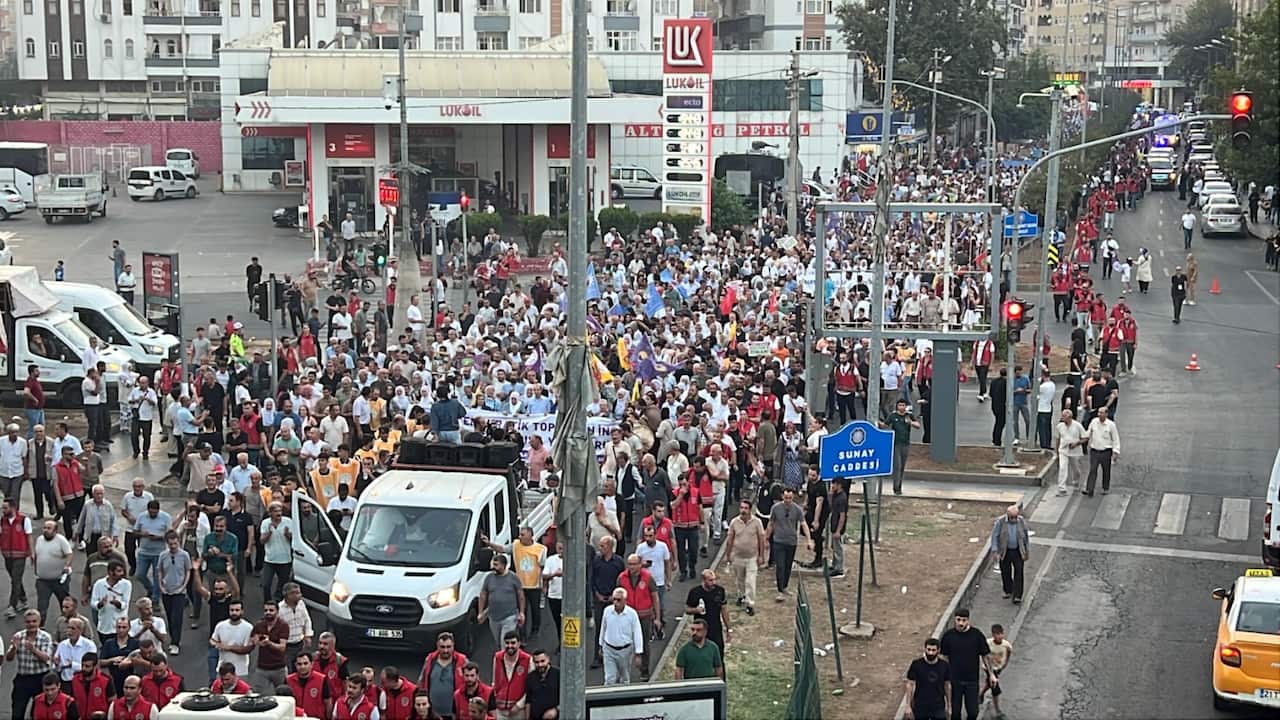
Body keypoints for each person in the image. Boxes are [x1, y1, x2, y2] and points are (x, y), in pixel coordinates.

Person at [939, 609, 994, 720]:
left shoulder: (976, 635)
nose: (961, 623)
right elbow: (944, 657)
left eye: (964, 620)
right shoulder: (948, 636)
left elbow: (985, 655)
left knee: (973, 712)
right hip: (954, 681)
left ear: (968, 620)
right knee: (955, 713)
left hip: (971, 681)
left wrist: (991, 674)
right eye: (958, 620)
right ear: (954, 619)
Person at [617, 553, 662, 681]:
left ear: (640, 564)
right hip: (628, 615)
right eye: (629, 564)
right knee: (625, 642)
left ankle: (645, 669)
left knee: (644, 642)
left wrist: (657, 618)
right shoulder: (622, 578)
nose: (631, 567)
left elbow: (655, 597)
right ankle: (624, 670)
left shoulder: (648, 577)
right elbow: (618, 596)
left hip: (644, 615)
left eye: (634, 564)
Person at [764, 487, 812, 600]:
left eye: (790, 498)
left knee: (787, 566)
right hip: (778, 541)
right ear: (782, 497)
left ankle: (784, 586)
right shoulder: (775, 508)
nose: (788, 500)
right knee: (780, 565)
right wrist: (766, 539)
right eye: (786, 497)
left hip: (791, 542)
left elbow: (803, 524)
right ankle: (780, 590)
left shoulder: (797, 509)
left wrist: (809, 539)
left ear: (793, 497)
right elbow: (771, 524)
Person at [724, 499, 767, 615]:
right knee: (740, 580)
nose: (743, 510)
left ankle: (750, 604)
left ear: (750, 510)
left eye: (746, 508)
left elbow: (761, 540)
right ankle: (741, 595)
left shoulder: (757, 522)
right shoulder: (734, 522)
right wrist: (728, 555)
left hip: (752, 557)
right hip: (737, 557)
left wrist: (761, 556)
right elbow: (730, 540)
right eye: (741, 508)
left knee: (750, 581)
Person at [597, 587, 644, 686]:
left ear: (625, 601)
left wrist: (638, 653)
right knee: (610, 678)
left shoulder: (632, 614)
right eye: (614, 599)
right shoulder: (607, 611)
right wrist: (600, 645)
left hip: (625, 651)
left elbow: (637, 633)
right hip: (609, 649)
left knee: (625, 678)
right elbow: (603, 628)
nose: (615, 602)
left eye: (619, 600)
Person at [33, 519, 74, 623]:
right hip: (42, 580)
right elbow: (37, 555)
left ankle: (66, 625)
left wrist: (66, 566)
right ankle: (40, 627)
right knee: (42, 606)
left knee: (64, 605)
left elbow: (69, 554)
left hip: (59, 580)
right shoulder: (39, 539)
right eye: (45, 528)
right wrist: (36, 570)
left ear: (55, 531)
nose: (46, 530)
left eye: (49, 528)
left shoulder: (61, 540)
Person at [419, 632, 466, 717]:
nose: (445, 650)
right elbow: (421, 681)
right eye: (442, 647)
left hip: (454, 713)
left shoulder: (462, 661)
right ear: (437, 645)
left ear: (453, 645)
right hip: (432, 713)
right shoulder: (430, 659)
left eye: (448, 647)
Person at [989, 505, 1029, 604]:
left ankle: (1017, 595)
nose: (1014, 519)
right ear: (1008, 515)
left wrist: (1027, 550)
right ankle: (1008, 590)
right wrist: (995, 551)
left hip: (1018, 551)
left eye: (1015, 517)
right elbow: (995, 536)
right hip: (1005, 551)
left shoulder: (1021, 521)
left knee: (1019, 572)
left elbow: (1025, 536)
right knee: (1005, 571)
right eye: (1012, 517)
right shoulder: (1001, 522)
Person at [1, 495, 34, 618]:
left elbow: (29, 536)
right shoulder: (2, 520)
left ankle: (12, 606)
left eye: (5, 508)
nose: (3, 511)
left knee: (15, 579)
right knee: (15, 579)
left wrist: (32, 553)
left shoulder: (24, 520)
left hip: (20, 555)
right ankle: (23, 598)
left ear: (13, 508)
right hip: (7, 555)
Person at [685, 568, 729, 656]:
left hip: (715, 628)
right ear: (704, 580)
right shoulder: (695, 592)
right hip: (700, 628)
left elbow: (724, 610)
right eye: (710, 580)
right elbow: (687, 609)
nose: (714, 582)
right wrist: (696, 610)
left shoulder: (719, 591)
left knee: (718, 653)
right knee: (700, 653)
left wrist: (729, 628)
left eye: (714, 579)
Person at [904, 638, 951, 720]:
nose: (930, 653)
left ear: (938, 650)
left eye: (933, 650)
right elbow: (910, 684)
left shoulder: (944, 666)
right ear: (925, 649)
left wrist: (949, 706)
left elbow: (947, 685)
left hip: (938, 706)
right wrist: (908, 706)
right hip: (920, 705)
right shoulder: (916, 664)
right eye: (928, 649)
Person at [490, 631, 532, 720]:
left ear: (519, 643)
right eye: (507, 643)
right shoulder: (497, 658)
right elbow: (494, 681)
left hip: (518, 711)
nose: (510, 646)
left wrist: (519, 705)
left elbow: (531, 688)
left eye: (513, 643)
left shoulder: (527, 660)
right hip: (500, 710)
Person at [250, 600, 290, 693]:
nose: (268, 613)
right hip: (262, 668)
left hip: (279, 668)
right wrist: (258, 641)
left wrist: (269, 643)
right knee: (257, 694)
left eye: (271, 610)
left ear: (277, 611)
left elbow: (282, 647)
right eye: (266, 610)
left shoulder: (283, 626)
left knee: (283, 694)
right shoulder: (259, 625)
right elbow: (253, 639)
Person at [884, 400, 920, 494]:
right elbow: (885, 425)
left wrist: (910, 422)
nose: (901, 407)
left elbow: (918, 425)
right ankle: (896, 488)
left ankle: (899, 485)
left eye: (903, 405)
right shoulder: (893, 416)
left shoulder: (909, 415)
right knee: (897, 466)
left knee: (902, 466)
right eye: (899, 405)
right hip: (896, 444)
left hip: (906, 444)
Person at [1082, 406, 1120, 496]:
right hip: (1094, 451)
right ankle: (1089, 489)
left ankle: (1105, 488)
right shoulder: (1094, 422)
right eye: (1098, 412)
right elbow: (1088, 433)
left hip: (1106, 452)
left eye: (1101, 413)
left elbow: (1115, 439)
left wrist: (1115, 452)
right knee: (1092, 469)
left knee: (1106, 470)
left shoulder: (1111, 425)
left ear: (1106, 414)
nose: (1099, 414)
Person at [1052, 409, 1087, 497]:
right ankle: (1062, 488)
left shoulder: (1077, 426)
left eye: (1064, 416)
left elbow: (1085, 438)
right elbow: (1058, 439)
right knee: (1063, 468)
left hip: (1075, 451)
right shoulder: (1060, 426)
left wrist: (1077, 443)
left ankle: (1076, 481)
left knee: (1076, 470)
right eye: (1062, 416)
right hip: (1063, 450)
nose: (1062, 418)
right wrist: (1057, 452)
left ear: (1070, 417)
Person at [982, 624, 1013, 718]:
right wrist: (988, 668)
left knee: (989, 683)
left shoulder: (1006, 645)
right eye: (997, 634)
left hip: (998, 668)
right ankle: (997, 710)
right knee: (995, 689)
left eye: (1001, 634)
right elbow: (984, 655)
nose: (999, 636)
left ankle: (981, 693)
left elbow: (1009, 653)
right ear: (993, 635)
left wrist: (1005, 664)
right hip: (989, 668)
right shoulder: (988, 643)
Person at [525, 649, 559, 720]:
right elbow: (528, 701)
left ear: (548, 659)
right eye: (537, 662)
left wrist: (556, 710)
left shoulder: (558, 674)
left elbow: (567, 697)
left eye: (542, 661)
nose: (540, 665)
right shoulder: (530, 677)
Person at [989, 369, 1007, 447]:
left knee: (997, 423)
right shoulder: (1006, 383)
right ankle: (997, 441)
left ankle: (995, 440)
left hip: (994, 405)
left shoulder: (994, 381)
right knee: (1000, 424)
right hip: (1002, 406)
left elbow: (991, 394)